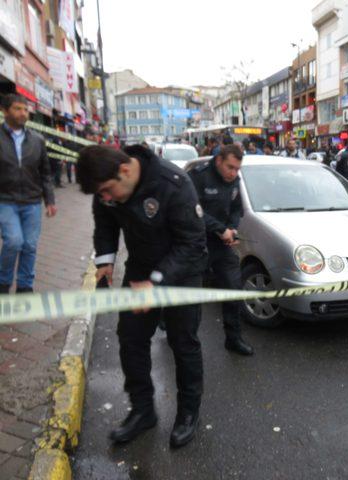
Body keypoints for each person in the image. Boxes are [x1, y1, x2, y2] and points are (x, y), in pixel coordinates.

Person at [76, 144, 208, 448]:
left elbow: (193, 243)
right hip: (140, 268)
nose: (106, 198)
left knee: (183, 343)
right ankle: (142, 409)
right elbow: (105, 220)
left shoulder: (172, 184)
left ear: (125, 170)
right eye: (101, 194)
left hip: (181, 275)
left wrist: (156, 282)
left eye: (107, 191)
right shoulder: (107, 189)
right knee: (131, 338)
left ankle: (188, 412)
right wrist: (106, 259)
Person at [188, 144, 254, 356]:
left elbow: (236, 208)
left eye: (237, 169)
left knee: (233, 290)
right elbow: (191, 211)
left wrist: (232, 228)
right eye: (230, 167)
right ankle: (182, 338)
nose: (233, 173)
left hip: (222, 244)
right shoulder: (198, 177)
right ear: (218, 161)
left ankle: (233, 339)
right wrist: (220, 229)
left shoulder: (234, 179)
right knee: (190, 295)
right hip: (196, 243)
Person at [0, 94, 57, 293]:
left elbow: (46, 172)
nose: (23, 113)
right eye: (17, 109)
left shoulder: (37, 140)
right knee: (14, 242)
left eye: (25, 109)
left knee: (30, 245)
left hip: (32, 201)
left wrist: (49, 200)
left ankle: (25, 286)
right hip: (6, 201)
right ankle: (3, 282)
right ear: (4, 111)